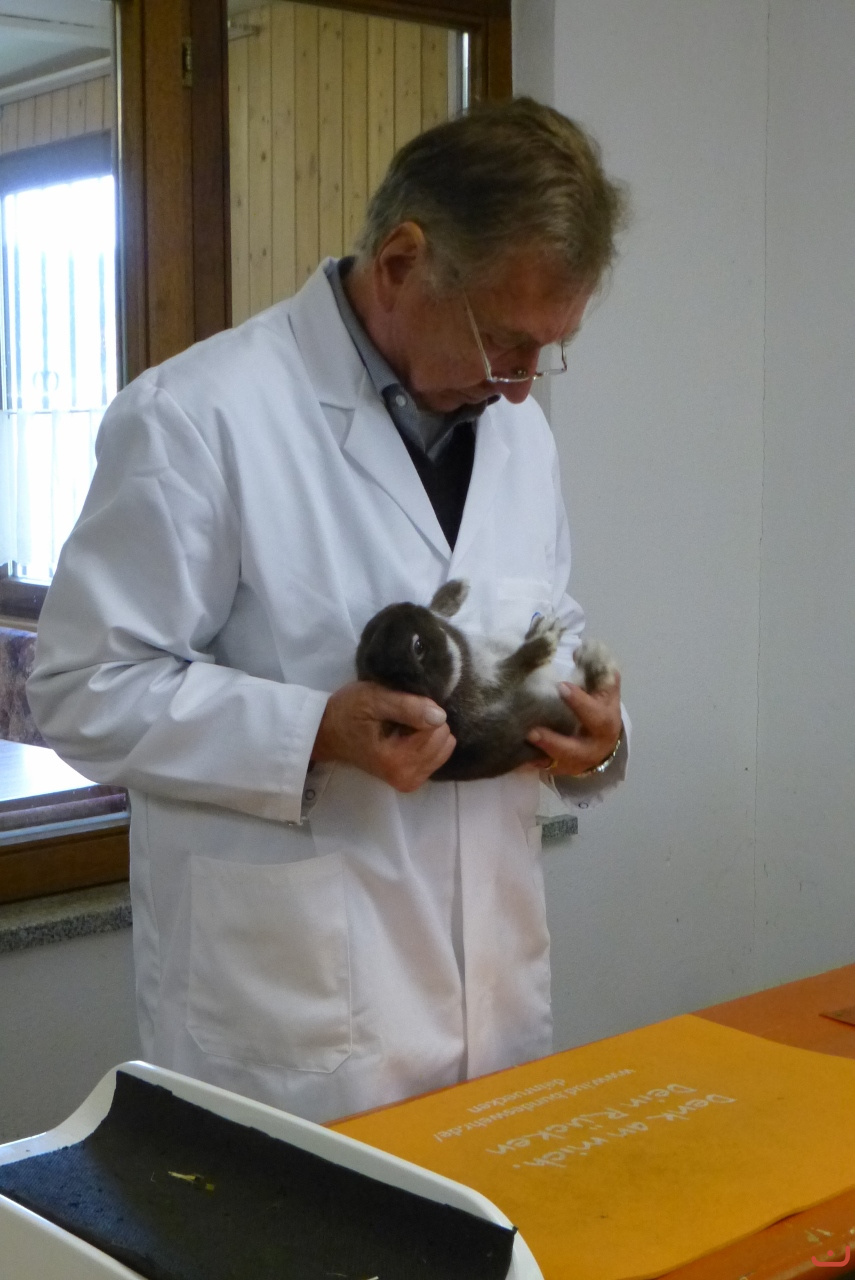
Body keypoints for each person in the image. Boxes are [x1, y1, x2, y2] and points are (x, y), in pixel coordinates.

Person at [28, 98, 629, 1124]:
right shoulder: (199, 416)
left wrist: (597, 734)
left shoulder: (517, 437)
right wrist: (313, 731)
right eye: (504, 340)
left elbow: (544, 623)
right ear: (400, 262)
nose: (522, 387)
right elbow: (82, 689)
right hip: (292, 1033)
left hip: (494, 1007)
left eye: (549, 349)